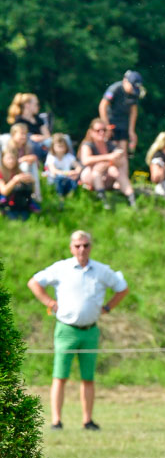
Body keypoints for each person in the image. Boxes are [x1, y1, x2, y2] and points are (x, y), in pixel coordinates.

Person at [27, 230, 129, 430]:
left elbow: (122, 288)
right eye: (77, 245)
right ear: (71, 248)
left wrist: (108, 307)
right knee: (60, 376)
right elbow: (34, 282)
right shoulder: (61, 268)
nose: (82, 249)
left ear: (91, 247)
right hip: (66, 329)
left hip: (90, 330)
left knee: (88, 377)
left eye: (86, 245)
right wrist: (49, 302)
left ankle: (87, 420)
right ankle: (56, 420)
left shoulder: (101, 270)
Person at [78, 118, 135, 207]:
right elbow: (86, 160)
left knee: (116, 169)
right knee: (96, 170)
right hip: (91, 177)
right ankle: (102, 198)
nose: (101, 133)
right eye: (98, 130)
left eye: (104, 130)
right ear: (91, 132)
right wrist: (107, 158)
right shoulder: (87, 144)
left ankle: (131, 198)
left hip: (107, 176)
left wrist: (111, 162)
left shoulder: (109, 144)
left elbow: (119, 158)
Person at [98, 70, 144, 153]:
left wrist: (131, 130)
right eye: (132, 87)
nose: (133, 90)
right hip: (111, 122)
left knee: (123, 151)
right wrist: (106, 126)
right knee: (113, 149)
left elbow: (133, 111)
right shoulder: (114, 89)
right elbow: (102, 106)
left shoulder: (134, 92)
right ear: (125, 81)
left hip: (123, 124)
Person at [0, 123, 41, 202]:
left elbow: (36, 161)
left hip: (20, 172)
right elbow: (8, 162)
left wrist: (31, 158)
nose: (24, 136)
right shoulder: (8, 146)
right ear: (13, 134)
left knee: (31, 164)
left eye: (25, 134)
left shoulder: (27, 146)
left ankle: (34, 195)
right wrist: (22, 160)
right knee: (26, 165)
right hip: (8, 173)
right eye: (21, 134)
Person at [7, 92, 51, 162]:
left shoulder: (38, 119)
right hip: (29, 144)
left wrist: (40, 138)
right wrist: (30, 137)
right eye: (36, 104)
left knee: (63, 139)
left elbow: (47, 135)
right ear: (27, 105)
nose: (38, 106)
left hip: (42, 142)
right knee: (33, 144)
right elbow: (18, 136)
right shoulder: (18, 120)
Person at [0, 145, 38, 220]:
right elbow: (4, 191)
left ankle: (28, 205)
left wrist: (32, 182)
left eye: (13, 158)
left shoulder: (18, 171)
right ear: (2, 159)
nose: (11, 161)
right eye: (8, 158)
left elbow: (32, 190)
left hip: (15, 199)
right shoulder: (1, 172)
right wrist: (14, 180)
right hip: (3, 198)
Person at [44, 133, 82, 198]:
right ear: (53, 147)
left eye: (62, 146)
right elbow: (53, 170)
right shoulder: (51, 157)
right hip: (55, 179)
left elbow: (78, 166)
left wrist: (76, 172)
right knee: (59, 181)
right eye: (59, 146)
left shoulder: (69, 157)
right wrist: (66, 173)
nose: (61, 148)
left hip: (67, 179)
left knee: (73, 181)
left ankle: (70, 195)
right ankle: (60, 197)